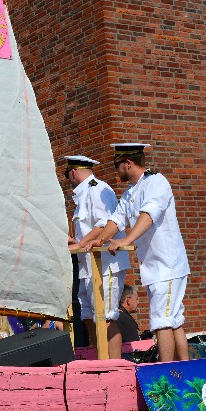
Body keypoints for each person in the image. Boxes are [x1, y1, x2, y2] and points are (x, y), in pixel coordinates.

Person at [80, 143, 190, 362]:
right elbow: (117, 219)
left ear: (127, 163)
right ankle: (184, 367)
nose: (115, 170)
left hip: (167, 264)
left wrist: (127, 239)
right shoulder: (131, 191)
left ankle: (165, 371)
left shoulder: (156, 182)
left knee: (162, 320)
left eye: (116, 165)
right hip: (154, 266)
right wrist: (100, 238)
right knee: (173, 319)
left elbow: (149, 214)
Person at [64, 155, 131, 359]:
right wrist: (74, 241)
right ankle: (100, 360)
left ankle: (115, 366)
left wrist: (80, 243)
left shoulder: (97, 189)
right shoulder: (84, 194)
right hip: (87, 265)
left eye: (67, 175)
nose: (68, 180)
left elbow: (104, 224)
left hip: (105, 265)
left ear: (74, 172)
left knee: (106, 317)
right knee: (88, 317)